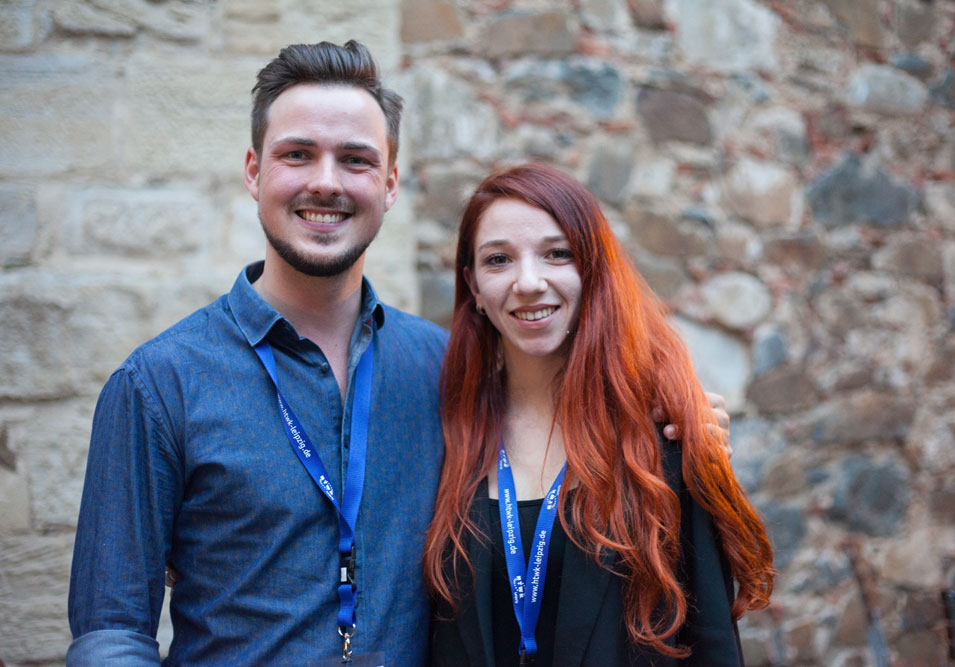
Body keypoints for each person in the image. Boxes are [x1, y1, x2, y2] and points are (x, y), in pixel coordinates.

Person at [68, 41, 731, 665]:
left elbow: (561, 401)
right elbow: (111, 628)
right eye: (297, 154)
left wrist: (681, 416)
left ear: (388, 184)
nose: (326, 182)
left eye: (355, 160)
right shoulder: (157, 385)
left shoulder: (447, 369)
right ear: (253, 171)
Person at [423, 164, 775, 665]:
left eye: (556, 254)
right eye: (498, 259)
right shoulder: (444, 433)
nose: (528, 282)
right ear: (474, 287)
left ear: (591, 269)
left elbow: (713, 642)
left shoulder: (661, 435)